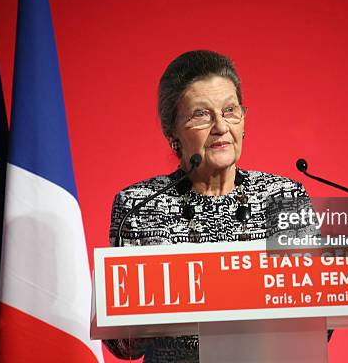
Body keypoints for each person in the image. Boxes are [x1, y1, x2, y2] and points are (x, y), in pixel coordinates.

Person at [103, 50, 318, 362]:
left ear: (243, 120)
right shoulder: (139, 206)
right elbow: (123, 346)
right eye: (201, 115)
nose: (220, 126)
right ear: (172, 132)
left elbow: (315, 317)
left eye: (230, 110)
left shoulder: (283, 197)